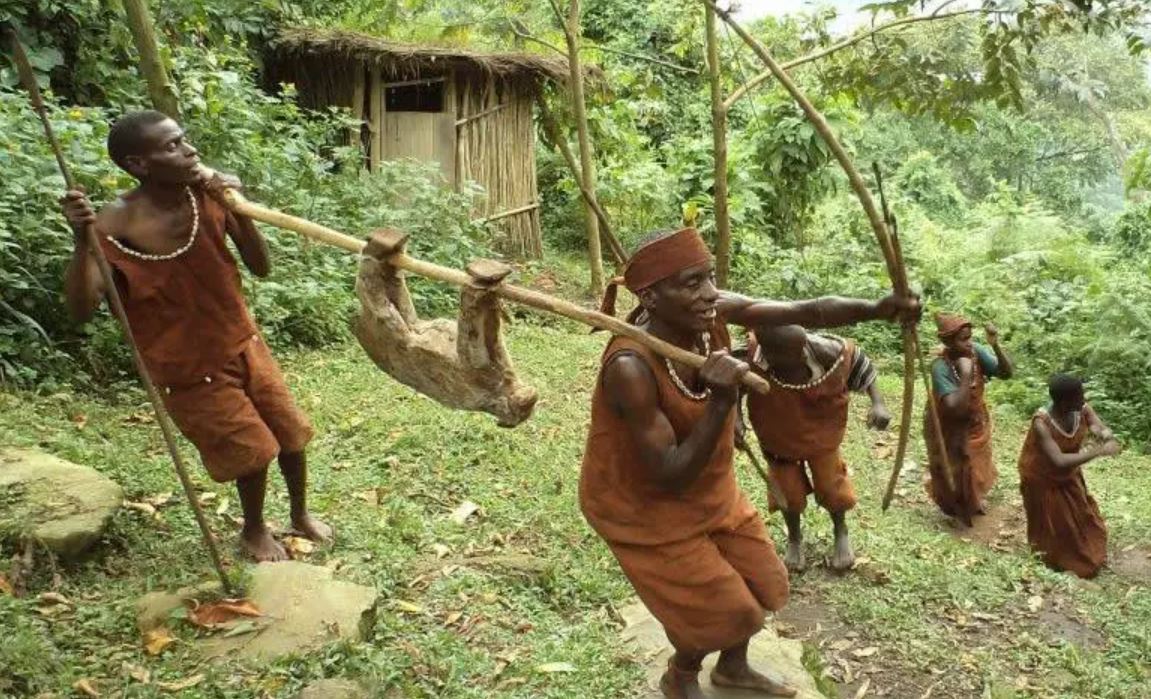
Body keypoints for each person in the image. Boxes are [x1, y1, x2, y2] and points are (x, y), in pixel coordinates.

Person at [580, 227, 920, 699]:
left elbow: (809, 310)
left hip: (710, 491)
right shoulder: (631, 367)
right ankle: (680, 676)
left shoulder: (710, 314)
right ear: (651, 298)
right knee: (723, 608)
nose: (709, 294)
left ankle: (732, 669)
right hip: (644, 506)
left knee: (767, 581)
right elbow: (668, 474)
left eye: (710, 278)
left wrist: (878, 309)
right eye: (691, 283)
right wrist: (723, 401)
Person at [60, 110, 330, 562]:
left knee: (290, 433)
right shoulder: (113, 223)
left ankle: (300, 514)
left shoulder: (204, 197)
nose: (189, 151)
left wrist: (235, 206)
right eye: (171, 146)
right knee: (252, 450)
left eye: (184, 140)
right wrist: (81, 238)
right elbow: (81, 308)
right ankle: (254, 530)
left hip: (242, 339)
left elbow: (261, 267)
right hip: (188, 364)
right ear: (139, 165)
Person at [739, 325, 889, 572]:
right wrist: (735, 417)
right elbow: (732, 381)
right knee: (787, 488)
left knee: (831, 483)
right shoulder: (752, 353)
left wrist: (879, 404)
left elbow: (863, 366)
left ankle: (841, 532)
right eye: (770, 357)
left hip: (822, 429)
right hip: (777, 429)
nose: (773, 364)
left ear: (799, 352)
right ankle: (795, 539)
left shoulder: (832, 352)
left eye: (782, 361)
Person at [1017, 374, 1119, 578]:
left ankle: (1080, 552)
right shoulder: (1042, 422)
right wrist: (1099, 451)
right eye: (1078, 396)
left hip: (1068, 474)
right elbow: (1058, 461)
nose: (1083, 399)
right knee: (1052, 523)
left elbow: (1096, 425)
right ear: (1063, 401)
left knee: (1082, 514)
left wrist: (1105, 435)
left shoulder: (1082, 409)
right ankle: (1053, 558)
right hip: (1041, 477)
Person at [924, 313, 1013, 522]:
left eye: (970, 337)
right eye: (963, 339)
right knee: (953, 465)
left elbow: (1005, 373)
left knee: (975, 463)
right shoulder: (940, 367)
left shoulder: (976, 352)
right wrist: (965, 373)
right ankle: (954, 505)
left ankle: (973, 501)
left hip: (974, 422)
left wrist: (995, 344)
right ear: (948, 342)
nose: (969, 343)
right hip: (949, 425)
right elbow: (954, 407)